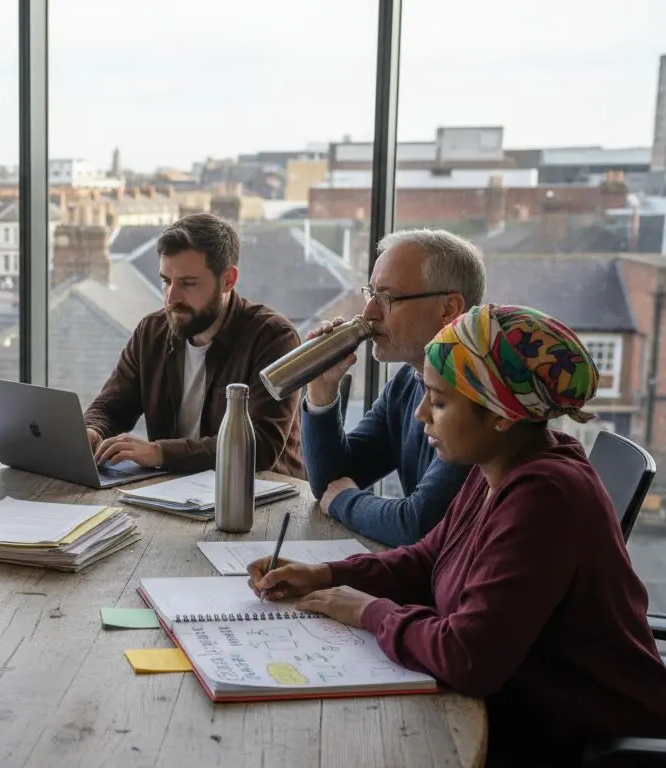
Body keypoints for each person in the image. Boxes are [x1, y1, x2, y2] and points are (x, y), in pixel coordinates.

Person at [249, 305, 666, 765]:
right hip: (523, 707)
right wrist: (325, 574)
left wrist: (369, 611)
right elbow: (427, 558)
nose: (421, 414)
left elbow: (468, 658)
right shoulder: (497, 466)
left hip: (575, 735)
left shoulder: (545, 498)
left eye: (439, 402)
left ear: (501, 415)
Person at [86, 212, 305, 477]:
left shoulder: (274, 338)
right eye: (166, 281)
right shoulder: (151, 332)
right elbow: (111, 407)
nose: (171, 298)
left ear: (228, 280)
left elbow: (260, 445)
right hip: (173, 489)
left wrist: (160, 453)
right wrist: (92, 431)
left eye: (188, 283)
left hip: (262, 492)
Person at [301, 229, 482, 546]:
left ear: (449, 309)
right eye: (371, 293)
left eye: (388, 298)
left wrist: (345, 501)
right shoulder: (407, 381)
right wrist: (322, 389)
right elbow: (332, 481)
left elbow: (419, 524)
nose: (369, 312)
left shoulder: (478, 394)